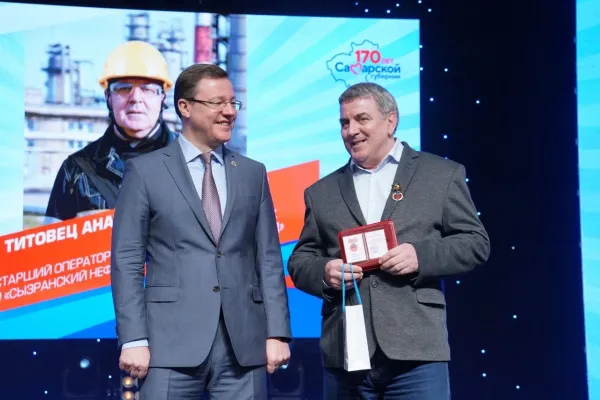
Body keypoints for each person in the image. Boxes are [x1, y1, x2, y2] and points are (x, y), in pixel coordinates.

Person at [287, 82, 490, 399]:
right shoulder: (321, 191)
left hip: (416, 352)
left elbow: (475, 243)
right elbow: (300, 261)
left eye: (362, 119)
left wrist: (420, 256)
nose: (351, 130)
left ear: (390, 120)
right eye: (344, 122)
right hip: (346, 354)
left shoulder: (440, 174)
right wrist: (325, 272)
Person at [110, 63, 292, 399]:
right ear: (185, 107)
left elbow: (267, 258)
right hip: (168, 344)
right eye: (217, 103)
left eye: (233, 103)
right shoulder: (145, 171)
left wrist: (277, 332)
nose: (229, 112)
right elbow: (127, 260)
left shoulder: (252, 173)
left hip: (244, 345)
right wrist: (133, 338)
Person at [44, 40, 178, 222]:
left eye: (147, 89)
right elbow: (52, 238)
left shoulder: (195, 163)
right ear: (108, 97)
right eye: (124, 88)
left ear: (162, 98)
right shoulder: (76, 171)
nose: (136, 98)